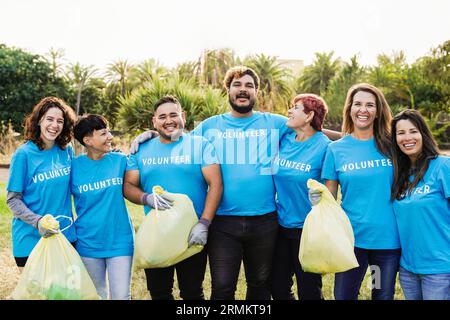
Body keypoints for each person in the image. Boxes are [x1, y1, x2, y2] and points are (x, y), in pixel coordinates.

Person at [123, 95, 223, 300]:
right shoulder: (141, 149)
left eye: (173, 115)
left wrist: (204, 223)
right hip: (157, 233)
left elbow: (216, 184)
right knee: (159, 293)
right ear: (154, 121)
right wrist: (145, 198)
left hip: (191, 232)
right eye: (162, 117)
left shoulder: (200, 144)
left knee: (192, 292)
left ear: (183, 116)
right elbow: (129, 185)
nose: (168, 120)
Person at [320, 83, 401, 300]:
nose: (363, 110)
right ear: (349, 109)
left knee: (381, 295)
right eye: (357, 104)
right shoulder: (336, 149)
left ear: (378, 111)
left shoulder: (393, 146)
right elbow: (328, 199)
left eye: (369, 105)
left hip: (387, 242)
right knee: (345, 296)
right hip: (350, 242)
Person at [270, 93, 330, 300]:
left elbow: (331, 186)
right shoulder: (285, 139)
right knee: (277, 287)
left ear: (309, 115)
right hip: (280, 225)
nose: (289, 111)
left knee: (309, 291)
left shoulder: (324, 146)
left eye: (295, 107)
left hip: (307, 229)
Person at [6, 97, 77, 269]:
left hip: (64, 234)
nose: (55, 125)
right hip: (32, 239)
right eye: (49, 119)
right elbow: (13, 200)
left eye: (60, 121)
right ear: (39, 120)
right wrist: (38, 221)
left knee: (66, 293)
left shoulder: (66, 150)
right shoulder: (23, 154)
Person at [71, 114, 135, 300]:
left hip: (120, 241)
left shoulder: (120, 160)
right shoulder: (73, 167)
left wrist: (147, 136)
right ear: (87, 140)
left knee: (122, 296)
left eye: (109, 132)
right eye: (104, 133)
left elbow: (145, 160)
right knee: (95, 295)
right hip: (87, 242)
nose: (110, 137)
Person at [390, 109, 450, 300]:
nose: (407, 137)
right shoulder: (400, 174)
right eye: (401, 133)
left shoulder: (443, 166)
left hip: (440, 269)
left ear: (423, 134)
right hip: (408, 269)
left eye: (413, 131)